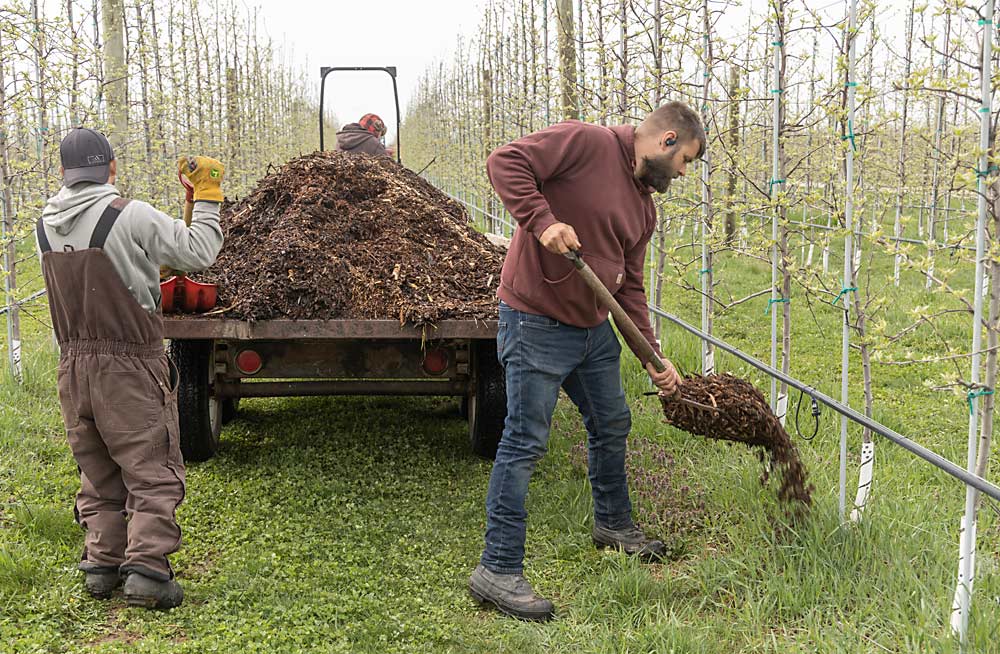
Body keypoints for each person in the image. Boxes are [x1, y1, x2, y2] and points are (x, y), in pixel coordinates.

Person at [468, 102, 706, 621]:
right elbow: (504, 161)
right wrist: (543, 221)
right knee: (525, 439)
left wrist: (652, 356)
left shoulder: (644, 208)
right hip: (535, 318)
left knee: (611, 421)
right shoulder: (587, 143)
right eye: (685, 161)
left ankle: (614, 525)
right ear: (666, 141)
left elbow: (633, 287)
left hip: (593, 329)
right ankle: (498, 568)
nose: (684, 174)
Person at [36, 127, 225, 609]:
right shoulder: (130, 214)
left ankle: (101, 565)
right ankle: (147, 573)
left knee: (98, 470)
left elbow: (107, 271)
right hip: (129, 365)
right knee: (151, 470)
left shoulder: (45, 224)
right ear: (112, 169)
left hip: (73, 369)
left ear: (64, 173)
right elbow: (200, 252)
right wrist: (207, 195)